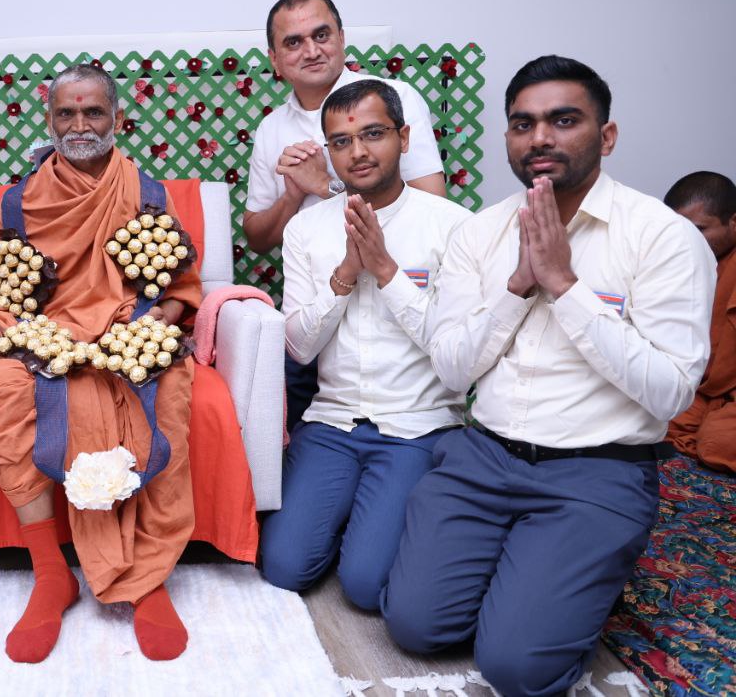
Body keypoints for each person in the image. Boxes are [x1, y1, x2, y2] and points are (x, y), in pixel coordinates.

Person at [382, 56, 715, 696]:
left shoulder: (665, 238)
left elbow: (672, 393)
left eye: (564, 120)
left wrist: (564, 285)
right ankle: (536, 574)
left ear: (606, 136)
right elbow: (452, 370)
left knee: (516, 667)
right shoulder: (479, 234)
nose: (540, 137)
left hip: (598, 470)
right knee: (416, 626)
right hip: (484, 458)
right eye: (523, 124)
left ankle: (576, 570)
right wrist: (517, 287)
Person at [0, 64, 200, 663]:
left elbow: (180, 288)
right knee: (7, 387)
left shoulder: (148, 192)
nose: (79, 125)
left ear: (117, 118)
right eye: (66, 113)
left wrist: (154, 322)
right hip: (48, 335)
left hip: (131, 329)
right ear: (49, 120)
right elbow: (6, 289)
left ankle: (148, 577)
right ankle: (51, 573)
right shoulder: (19, 201)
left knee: (166, 389)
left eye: (93, 112)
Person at [260, 79, 469, 609]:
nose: (358, 151)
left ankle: (376, 521)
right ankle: (358, 514)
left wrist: (386, 270)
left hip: (417, 427)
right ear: (329, 151)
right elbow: (299, 349)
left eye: (373, 134)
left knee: (364, 584)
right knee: (282, 567)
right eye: (341, 141)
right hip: (333, 424)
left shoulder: (453, 227)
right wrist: (346, 276)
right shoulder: (307, 229)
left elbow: (458, 356)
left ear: (404, 137)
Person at [242, 0, 447, 425]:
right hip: (316, 304)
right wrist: (293, 195)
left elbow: (432, 202)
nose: (311, 50)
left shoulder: (392, 97)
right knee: (304, 433)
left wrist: (327, 185)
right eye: (293, 42)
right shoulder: (272, 128)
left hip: (396, 296)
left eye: (322, 35)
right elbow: (257, 237)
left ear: (341, 38)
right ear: (274, 60)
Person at [664, 171, 736, 472]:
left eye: (699, 229)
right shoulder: (677, 260)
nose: (687, 239)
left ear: (733, 222)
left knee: (717, 443)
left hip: (724, 387)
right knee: (645, 418)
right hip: (704, 388)